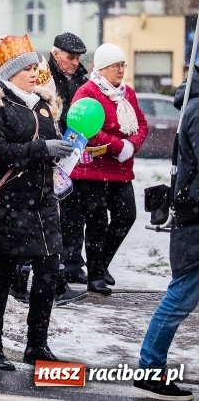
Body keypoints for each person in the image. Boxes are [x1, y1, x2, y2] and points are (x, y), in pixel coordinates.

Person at [0, 34, 69, 369]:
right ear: (9, 72)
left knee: (48, 273)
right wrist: (41, 150)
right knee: (3, 275)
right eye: (25, 67)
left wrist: (65, 151)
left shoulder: (41, 102)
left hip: (43, 202)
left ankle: (37, 345)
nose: (33, 71)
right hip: (9, 202)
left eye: (34, 66)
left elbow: (52, 141)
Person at [133, 74, 199, 401]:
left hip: (194, 218)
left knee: (181, 298)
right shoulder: (198, 110)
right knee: (180, 298)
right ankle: (148, 369)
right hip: (196, 223)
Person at [70, 43, 148, 295]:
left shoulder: (129, 94)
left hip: (121, 170)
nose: (121, 70)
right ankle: (95, 276)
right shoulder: (87, 92)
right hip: (92, 170)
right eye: (116, 65)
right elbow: (84, 128)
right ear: (102, 68)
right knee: (96, 222)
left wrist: (131, 145)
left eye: (123, 65)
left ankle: (100, 264)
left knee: (126, 216)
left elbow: (142, 124)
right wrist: (117, 146)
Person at [48, 32, 91, 284]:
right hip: (52, 148)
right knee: (55, 211)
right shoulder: (44, 77)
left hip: (76, 151)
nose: (74, 62)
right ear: (56, 54)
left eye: (78, 58)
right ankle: (55, 262)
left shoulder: (83, 79)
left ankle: (74, 262)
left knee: (76, 210)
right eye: (70, 57)